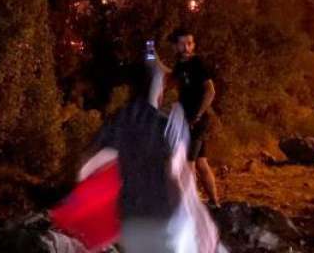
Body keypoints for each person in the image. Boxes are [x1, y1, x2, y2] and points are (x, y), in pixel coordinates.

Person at [77, 56, 223, 253]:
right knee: (197, 164)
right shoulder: (176, 73)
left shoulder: (192, 71)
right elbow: (166, 75)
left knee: (188, 165)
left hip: (191, 123)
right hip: (188, 123)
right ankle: (213, 203)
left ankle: (200, 206)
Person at [170, 27, 220, 207]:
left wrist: (197, 115)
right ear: (175, 46)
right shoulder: (180, 65)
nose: (186, 47)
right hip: (190, 119)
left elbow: (210, 91)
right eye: (182, 43)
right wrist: (151, 55)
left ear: (193, 45)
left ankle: (192, 206)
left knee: (188, 163)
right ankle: (215, 202)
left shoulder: (197, 63)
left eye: (189, 43)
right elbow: (170, 78)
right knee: (201, 162)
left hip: (198, 120)